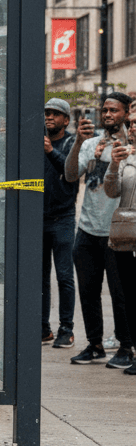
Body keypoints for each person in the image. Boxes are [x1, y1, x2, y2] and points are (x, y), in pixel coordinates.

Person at [64, 92, 134, 367]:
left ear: (126, 114)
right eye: (104, 110)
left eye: (114, 110)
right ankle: (94, 345)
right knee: (88, 291)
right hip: (87, 230)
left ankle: (126, 347)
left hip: (117, 233)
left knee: (120, 294)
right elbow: (70, 175)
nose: (107, 115)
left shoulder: (131, 147)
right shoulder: (92, 143)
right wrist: (79, 143)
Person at [42, 98, 79, 348]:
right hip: (38, 220)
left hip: (63, 219)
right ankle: (43, 328)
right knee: (40, 277)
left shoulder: (72, 143)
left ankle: (66, 329)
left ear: (66, 120)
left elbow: (70, 173)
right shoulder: (37, 142)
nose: (49, 118)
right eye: (47, 114)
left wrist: (51, 152)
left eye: (55, 114)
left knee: (64, 276)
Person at [104, 103, 136, 376]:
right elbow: (111, 191)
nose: (134, 126)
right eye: (133, 122)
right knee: (129, 296)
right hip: (127, 237)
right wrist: (115, 164)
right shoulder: (124, 155)